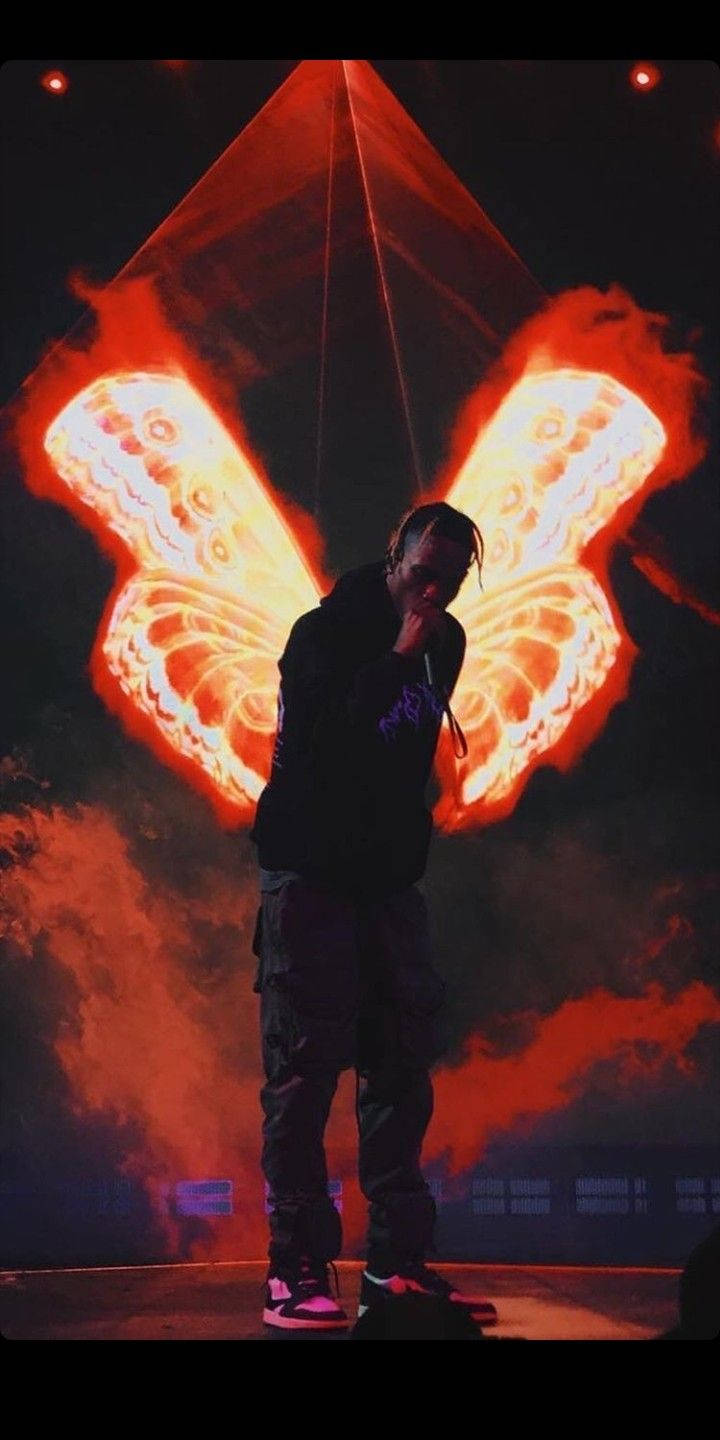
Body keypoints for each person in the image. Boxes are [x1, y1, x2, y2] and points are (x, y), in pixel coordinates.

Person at [249, 501, 497, 1330]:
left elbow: (403, 759)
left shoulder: (445, 644)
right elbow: (327, 754)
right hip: (311, 875)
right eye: (424, 573)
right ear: (395, 557)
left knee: (400, 1071)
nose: (434, 594)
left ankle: (396, 1265)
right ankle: (293, 1269)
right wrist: (395, 660)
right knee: (303, 1075)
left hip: (385, 884)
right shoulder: (321, 635)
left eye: (450, 581)